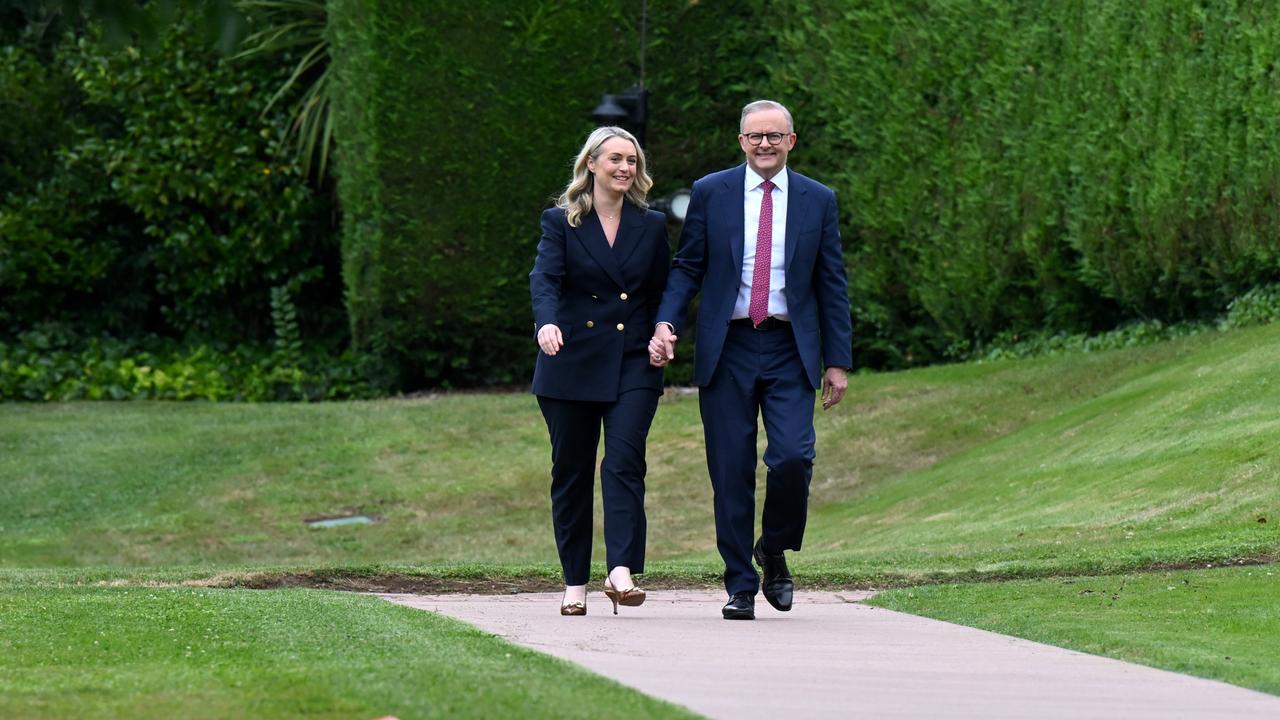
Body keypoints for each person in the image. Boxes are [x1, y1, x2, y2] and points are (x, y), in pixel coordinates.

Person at [649, 100, 852, 620]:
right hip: (728, 346)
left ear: (791, 141)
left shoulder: (818, 199)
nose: (765, 144)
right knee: (730, 468)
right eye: (755, 136)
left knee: (793, 457)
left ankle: (773, 548)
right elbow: (688, 267)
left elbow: (831, 283)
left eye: (774, 136)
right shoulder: (711, 192)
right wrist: (667, 322)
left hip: (790, 347)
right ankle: (740, 584)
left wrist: (837, 361)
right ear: (741, 141)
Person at [530, 126, 671, 616]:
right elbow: (545, 279)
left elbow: (661, 291)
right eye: (615, 159)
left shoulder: (650, 224)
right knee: (571, 473)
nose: (625, 168)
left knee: (624, 462)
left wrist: (664, 330)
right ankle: (575, 583)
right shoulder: (560, 221)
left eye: (632, 160)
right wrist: (546, 322)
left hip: (634, 360)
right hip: (570, 360)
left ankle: (621, 571)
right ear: (591, 163)